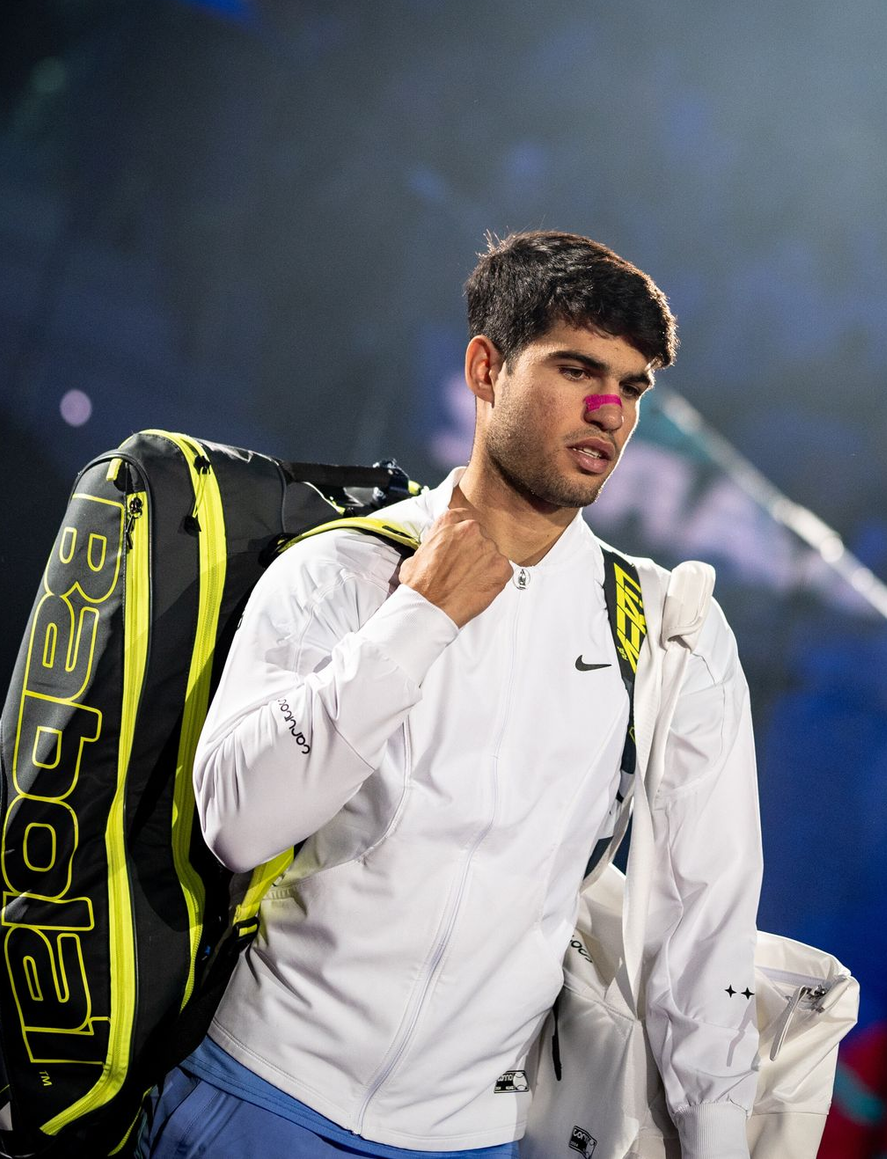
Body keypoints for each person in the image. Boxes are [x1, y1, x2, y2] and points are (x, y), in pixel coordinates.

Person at [138, 231, 762, 1159]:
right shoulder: (344, 567)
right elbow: (238, 819)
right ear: (485, 367)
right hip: (256, 1091)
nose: (608, 410)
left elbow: (705, 922)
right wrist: (418, 618)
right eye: (577, 369)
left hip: (468, 1138)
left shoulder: (674, 634)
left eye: (631, 387)